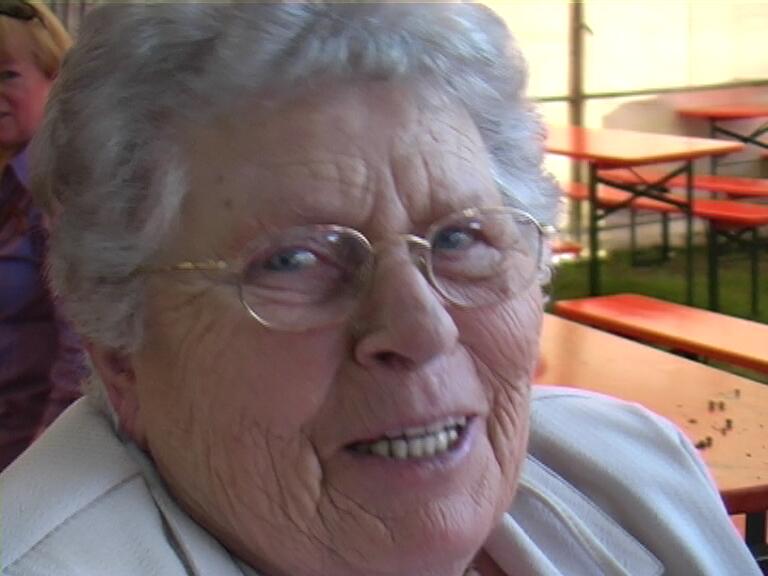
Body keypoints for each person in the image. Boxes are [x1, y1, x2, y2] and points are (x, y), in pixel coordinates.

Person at [0, 4, 759, 575]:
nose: (423, 329)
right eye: (293, 261)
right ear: (120, 348)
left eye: (460, 238)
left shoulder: (632, 470)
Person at [0, 0, 85, 471]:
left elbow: (82, 351)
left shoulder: (60, 191)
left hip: (23, 455)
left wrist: (38, 469)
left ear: (54, 79)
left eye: (7, 75)